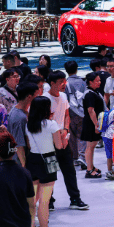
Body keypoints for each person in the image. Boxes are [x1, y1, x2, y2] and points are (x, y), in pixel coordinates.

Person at [45, 71, 87, 210]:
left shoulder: (63, 96)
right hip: (49, 144)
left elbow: (67, 115)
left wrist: (66, 130)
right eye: (61, 82)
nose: (64, 84)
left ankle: (75, 198)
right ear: (52, 83)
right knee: (51, 173)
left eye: (65, 81)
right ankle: (49, 200)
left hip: (64, 141)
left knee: (69, 171)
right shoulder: (45, 99)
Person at [23, 96, 62, 227]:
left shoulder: (28, 125)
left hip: (32, 160)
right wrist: (64, 138)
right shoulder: (51, 124)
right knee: (45, 201)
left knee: (32, 200)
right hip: (49, 159)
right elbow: (59, 146)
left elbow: (28, 145)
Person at [63, 60, 87, 170]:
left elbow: (65, 99)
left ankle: (75, 158)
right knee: (82, 135)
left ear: (66, 70)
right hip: (83, 112)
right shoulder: (83, 82)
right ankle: (82, 157)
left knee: (72, 136)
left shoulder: (66, 83)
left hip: (71, 112)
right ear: (77, 69)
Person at [81, 72, 104, 179]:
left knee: (92, 146)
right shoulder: (89, 94)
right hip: (91, 123)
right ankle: (89, 170)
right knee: (90, 147)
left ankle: (91, 166)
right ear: (90, 82)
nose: (99, 82)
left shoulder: (94, 92)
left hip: (93, 122)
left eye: (100, 80)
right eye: (97, 81)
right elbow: (91, 110)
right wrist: (96, 125)